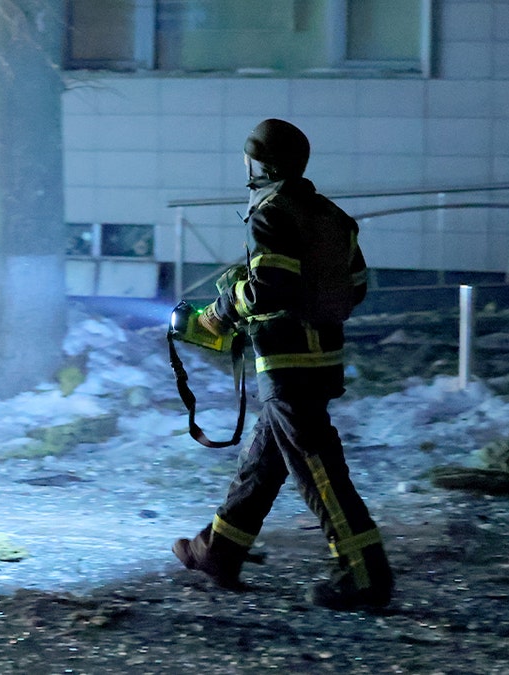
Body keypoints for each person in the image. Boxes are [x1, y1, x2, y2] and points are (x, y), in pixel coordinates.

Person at [173, 118, 394, 610]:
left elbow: (270, 288)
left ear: (260, 165)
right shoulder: (331, 214)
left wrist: (220, 312)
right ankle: (219, 551)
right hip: (321, 359)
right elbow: (356, 286)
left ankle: (364, 574)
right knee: (263, 462)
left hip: (288, 362)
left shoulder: (271, 213)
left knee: (319, 471)